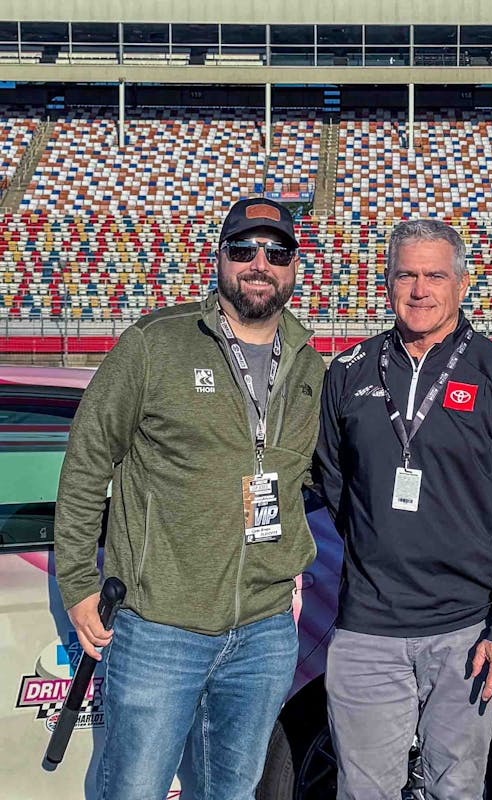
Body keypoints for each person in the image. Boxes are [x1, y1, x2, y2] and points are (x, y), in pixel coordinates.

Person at [54, 197, 325, 799]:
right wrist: (76, 580)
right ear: (219, 258)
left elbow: (325, 479)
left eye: (276, 251)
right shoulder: (157, 343)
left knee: (230, 792)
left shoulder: (312, 367)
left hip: (263, 630)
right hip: (158, 627)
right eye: (243, 248)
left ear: (294, 268)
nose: (260, 262)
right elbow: (86, 460)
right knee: (134, 790)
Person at [314, 218, 492, 799]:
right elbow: (335, 484)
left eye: (434, 275)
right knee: (364, 791)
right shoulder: (348, 371)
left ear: (462, 283)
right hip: (367, 629)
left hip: (467, 632)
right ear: (387, 283)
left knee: (457, 790)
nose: (420, 290)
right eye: (406, 275)